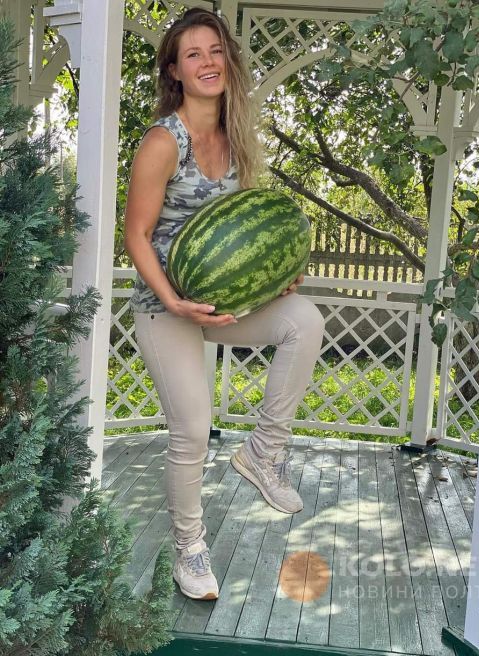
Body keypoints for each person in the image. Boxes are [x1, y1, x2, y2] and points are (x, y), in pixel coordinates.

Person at [124, 7, 324, 602]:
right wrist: (175, 300)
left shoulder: (236, 139)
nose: (207, 62)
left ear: (228, 62)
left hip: (215, 303)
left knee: (305, 320)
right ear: (175, 71)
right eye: (193, 54)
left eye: (215, 51)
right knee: (191, 429)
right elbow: (136, 235)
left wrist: (276, 276)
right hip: (164, 306)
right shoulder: (164, 140)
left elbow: (244, 230)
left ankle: (264, 453)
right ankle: (189, 548)